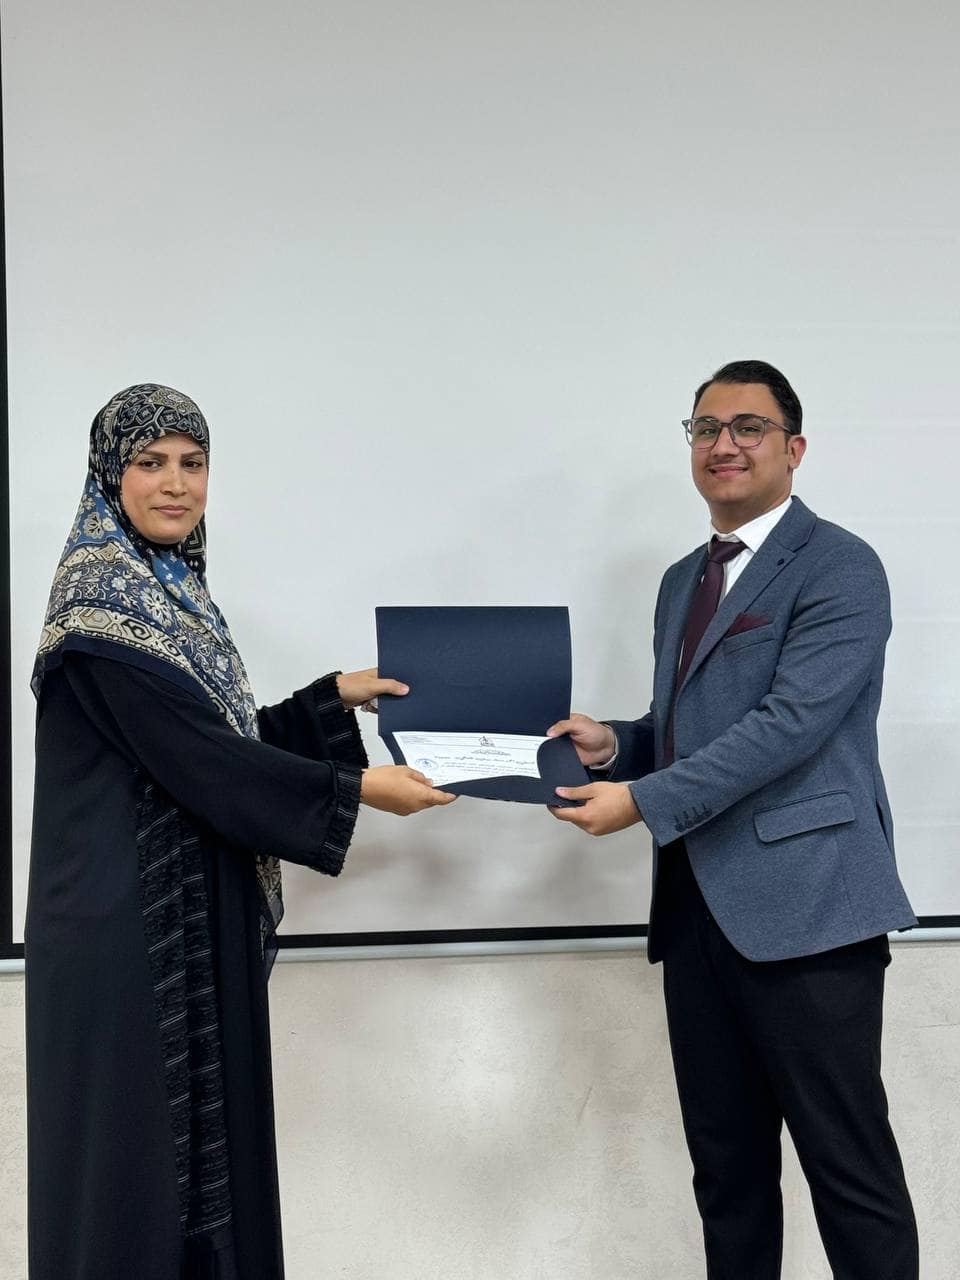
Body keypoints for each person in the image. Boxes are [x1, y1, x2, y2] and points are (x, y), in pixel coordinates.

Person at [25, 383, 455, 1280]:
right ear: (109, 475)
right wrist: (358, 788)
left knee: (199, 1168)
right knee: (141, 1173)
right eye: (150, 463)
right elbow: (199, 759)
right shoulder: (98, 605)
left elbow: (213, 741)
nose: (175, 483)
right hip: (127, 933)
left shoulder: (173, 594)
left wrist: (331, 699)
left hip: (183, 906)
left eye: (193, 463)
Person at [547, 360, 919, 1278]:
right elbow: (688, 730)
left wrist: (642, 801)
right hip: (696, 916)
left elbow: (789, 726)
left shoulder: (841, 565)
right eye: (706, 428)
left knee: (850, 1174)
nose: (725, 444)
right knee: (728, 1176)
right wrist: (619, 746)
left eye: (749, 427)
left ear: (795, 448)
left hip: (811, 911)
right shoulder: (684, 579)